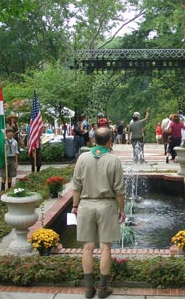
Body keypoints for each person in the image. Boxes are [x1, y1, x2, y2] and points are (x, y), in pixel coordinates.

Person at [71, 127, 126, 299]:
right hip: (107, 206)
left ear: (93, 140)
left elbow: (76, 186)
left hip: (86, 206)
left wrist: (75, 206)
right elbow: (120, 190)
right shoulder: (114, 160)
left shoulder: (83, 158)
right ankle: (102, 288)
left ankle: (89, 289)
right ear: (110, 141)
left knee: (87, 247)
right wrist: (122, 209)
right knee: (105, 247)